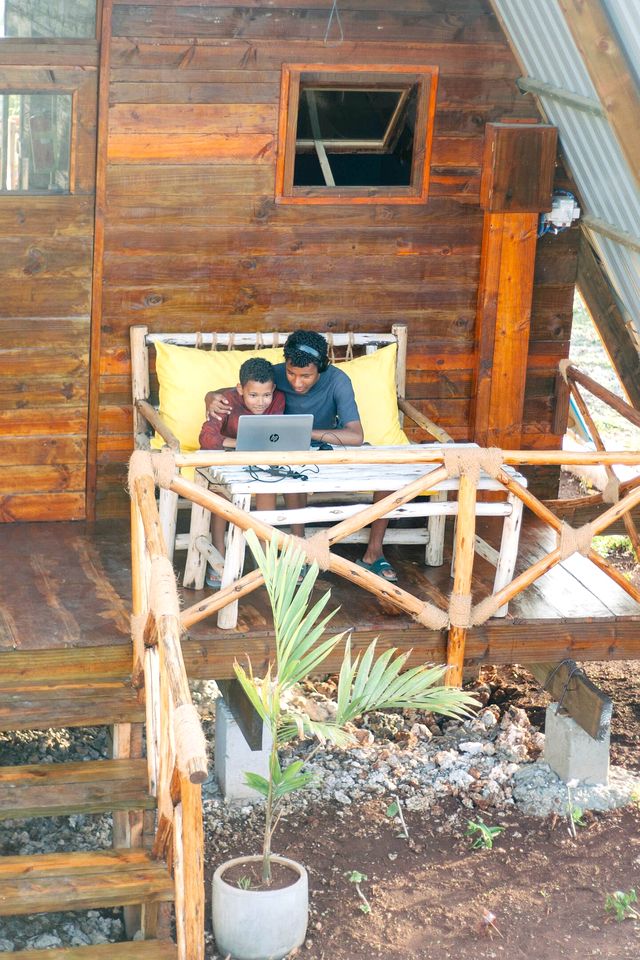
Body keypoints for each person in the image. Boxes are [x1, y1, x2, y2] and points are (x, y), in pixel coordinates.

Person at [207, 330, 397, 581]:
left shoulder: (338, 380)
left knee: (387, 475)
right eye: (291, 374)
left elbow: (355, 435)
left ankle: (374, 552)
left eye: (306, 376)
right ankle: (297, 548)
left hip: (327, 448)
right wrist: (210, 397)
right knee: (288, 471)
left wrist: (305, 431)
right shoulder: (275, 374)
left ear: (321, 368)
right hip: (288, 450)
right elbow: (240, 390)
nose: (297, 382)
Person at [199, 356, 285, 587]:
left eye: (266, 395)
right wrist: (239, 443)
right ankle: (219, 548)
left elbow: (274, 433)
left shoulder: (278, 400)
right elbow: (207, 438)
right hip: (227, 460)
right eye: (253, 395)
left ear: (273, 390)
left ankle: (265, 553)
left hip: (259, 461)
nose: (260, 402)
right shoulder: (226, 401)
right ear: (240, 389)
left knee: (268, 485)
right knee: (220, 490)